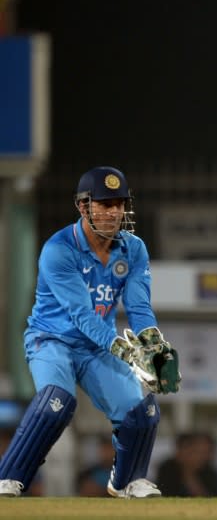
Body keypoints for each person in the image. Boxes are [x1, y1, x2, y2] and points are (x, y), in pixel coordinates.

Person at [0, 166, 181, 498]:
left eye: (119, 204)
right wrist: (125, 350)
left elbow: (139, 307)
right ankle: (7, 478)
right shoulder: (59, 249)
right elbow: (82, 314)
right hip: (52, 340)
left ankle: (127, 481)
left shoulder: (134, 249)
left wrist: (154, 346)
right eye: (105, 204)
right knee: (57, 401)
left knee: (143, 410)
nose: (114, 213)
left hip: (96, 349)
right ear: (83, 206)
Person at [156, 432, 217, 497]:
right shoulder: (167, 469)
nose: (204, 457)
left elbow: (209, 497)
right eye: (199, 452)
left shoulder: (208, 471)